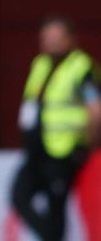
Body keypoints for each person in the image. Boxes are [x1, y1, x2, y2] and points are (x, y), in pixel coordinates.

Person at [11, 16, 101, 241]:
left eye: (56, 38)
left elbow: (95, 109)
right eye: (46, 38)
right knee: (19, 196)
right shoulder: (40, 64)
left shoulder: (81, 67)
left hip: (64, 149)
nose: (50, 43)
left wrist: (90, 143)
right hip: (37, 148)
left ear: (70, 39)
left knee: (55, 206)